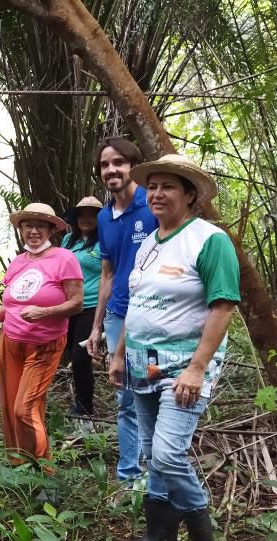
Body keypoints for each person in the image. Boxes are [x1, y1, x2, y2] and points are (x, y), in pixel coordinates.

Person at [110, 154, 238, 541]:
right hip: (140, 361)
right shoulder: (149, 244)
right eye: (155, 186)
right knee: (151, 453)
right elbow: (137, 303)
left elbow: (223, 307)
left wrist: (197, 368)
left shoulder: (208, 239)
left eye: (169, 186)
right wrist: (118, 352)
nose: (158, 194)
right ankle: (156, 539)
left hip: (184, 364)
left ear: (190, 194)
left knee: (167, 453)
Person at [0, 203, 82, 474]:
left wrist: (45, 312)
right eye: (28, 225)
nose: (34, 231)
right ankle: (20, 465)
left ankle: (44, 473)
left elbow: (77, 304)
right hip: (11, 342)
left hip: (44, 345)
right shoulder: (18, 262)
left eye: (40, 225)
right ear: (21, 229)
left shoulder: (64, 258)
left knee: (23, 410)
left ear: (51, 229)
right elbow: (14, 303)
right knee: (10, 406)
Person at [82, 137, 158, 486]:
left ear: (133, 167)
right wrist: (97, 326)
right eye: (104, 165)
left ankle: (157, 471)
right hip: (116, 317)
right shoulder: (102, 215)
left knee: (150, 392)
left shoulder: (153, 203)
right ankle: (130, 475)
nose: (111, 170)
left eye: (118, 163)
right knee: (125, 397)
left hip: (152, 320)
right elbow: (108, 274)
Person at [60, 196, 103, 431]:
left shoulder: (105, 241)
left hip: (92, 307)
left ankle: (85, 409)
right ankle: (79, 402)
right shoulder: (68, 240)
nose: (86, 219)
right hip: (68, 306)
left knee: (80, 355)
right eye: (82, 214)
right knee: (69, 354)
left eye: (92, 214)